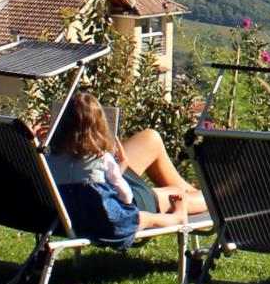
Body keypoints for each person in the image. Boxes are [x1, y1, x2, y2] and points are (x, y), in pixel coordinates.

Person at [45, 92, 194, 242]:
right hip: (106, 219)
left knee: (168, 196)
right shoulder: (101, 157)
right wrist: (126, 202)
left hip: (72, 215)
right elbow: (121, 189)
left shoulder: (48, 158)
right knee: (150, 215)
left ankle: (195, 193)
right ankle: (179, 216)